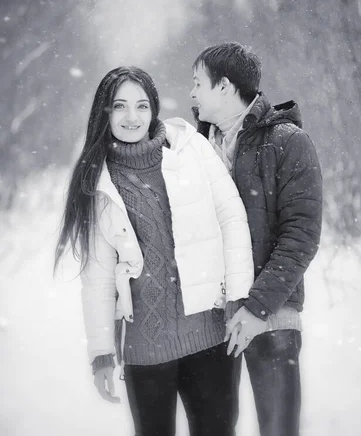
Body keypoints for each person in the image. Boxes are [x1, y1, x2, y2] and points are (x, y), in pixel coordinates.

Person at [54, 66, 254, 436]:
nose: (133, 117)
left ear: (154, 109)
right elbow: (97, 277)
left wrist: (239, 298)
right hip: (144, 347)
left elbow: (232, 218)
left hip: (210, 334)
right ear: (105, 113)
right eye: (120, 106)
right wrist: (100, 352)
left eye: (142, 106)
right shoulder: (96, 182)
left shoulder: (189, 147)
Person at [190, 43, 323, 436]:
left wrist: (257, 308)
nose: (192, 93)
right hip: (211, 318)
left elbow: (301, 235)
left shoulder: (288, 141)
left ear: (225, 87)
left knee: (278, 428)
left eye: (198, 83)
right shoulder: (195, 149)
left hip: (273, 315)